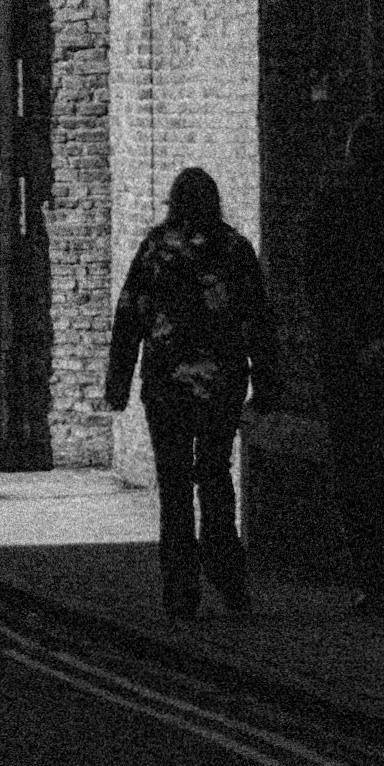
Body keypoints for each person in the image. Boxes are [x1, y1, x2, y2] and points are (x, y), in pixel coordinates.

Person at [104, 163, 280, 624]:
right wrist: (267, 384)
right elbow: (258, 321)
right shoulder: (237, 251)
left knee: (175, 486)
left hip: (166, 389)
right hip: (221, 385)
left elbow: (129, 317)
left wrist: (117, 384)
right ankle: (227, 575)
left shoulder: (155, 252)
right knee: (216, 476)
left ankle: (180, 590)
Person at [302, 109, 384, 612]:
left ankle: (372, 576)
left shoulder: (331, 205)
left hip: (345, 359)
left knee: (354, 466)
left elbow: (321, 286)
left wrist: (350, 342)